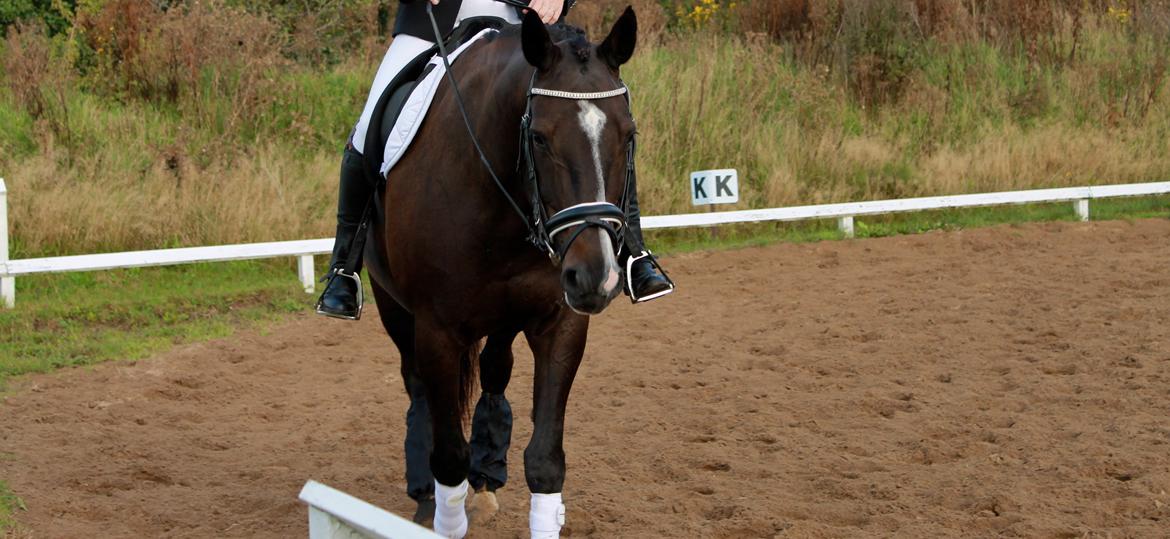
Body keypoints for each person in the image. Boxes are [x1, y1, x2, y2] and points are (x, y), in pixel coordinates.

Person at [317, 0, 673, 320]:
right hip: (431, 25)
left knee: (596, 123)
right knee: (368, 129)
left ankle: (634, 253)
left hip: (522, 22)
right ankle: (344, 267)